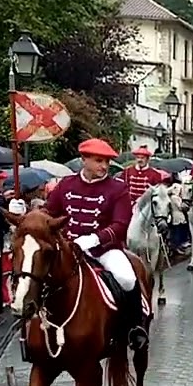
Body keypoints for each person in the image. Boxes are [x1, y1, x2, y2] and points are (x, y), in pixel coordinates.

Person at [15, 138, 145, 350]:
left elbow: (121, 224)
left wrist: (95, 239)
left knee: (127, 278)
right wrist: (27, 214)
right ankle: (30, 323)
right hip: (68, 247)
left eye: (107, 162)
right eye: (98, 161)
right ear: (84, 160)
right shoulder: (66, 185)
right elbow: (49, 212)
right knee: (37, 273)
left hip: (104, 249)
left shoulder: (117, 189)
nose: (104, 166)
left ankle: (134, 327)